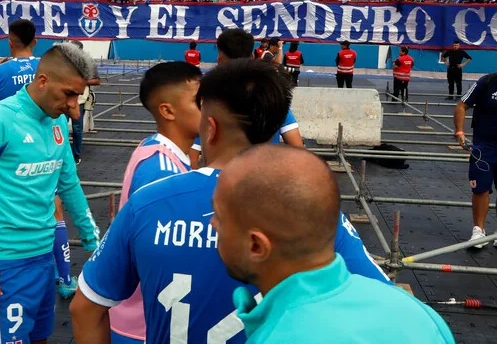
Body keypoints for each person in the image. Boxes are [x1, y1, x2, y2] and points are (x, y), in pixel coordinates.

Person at [71, 60, 389, 344]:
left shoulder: (148, 203)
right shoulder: (313, 212)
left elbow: (85, 308)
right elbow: (386, 305)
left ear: (210, 128)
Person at [212, 145, 455, 344]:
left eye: (219, 216)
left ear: (256, 246)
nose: (212, 224)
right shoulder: (418, 315)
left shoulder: (277, 336)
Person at [0, 44, 101, 344]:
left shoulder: (56, 121)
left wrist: (95, 243)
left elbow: (68, 185)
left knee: (40, 338)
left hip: (44, 260)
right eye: (68, 94)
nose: (74, 106)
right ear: (42, 81)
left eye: (77, 97)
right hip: (3, 264)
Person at [105, 61, 202, 344]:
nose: (209, 107)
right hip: (146, 325)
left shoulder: (162, 153)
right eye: (199, 101)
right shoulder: (161, 169)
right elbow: (163, 255)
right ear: (168, 110)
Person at [190, 30, 302, 165]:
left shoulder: (210, 103)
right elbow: (298, 150)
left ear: (219, 61)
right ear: (252, 56)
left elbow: (193, 156)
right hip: (263, 179)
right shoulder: (272, 100)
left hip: (221, 182)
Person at [454, 47, 497, 249]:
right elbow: (462, 106)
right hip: (484, 148)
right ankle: (478, 231)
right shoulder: (486, 82)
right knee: (481, 189)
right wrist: (460, 132)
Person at [67, 40, 101, 164]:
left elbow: (97, 80)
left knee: (77, 128)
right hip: (62, 98)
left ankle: (76, 154)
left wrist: (79, 82)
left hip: (79, 99)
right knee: (58, 127)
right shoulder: (63, 62)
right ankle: (61, 153)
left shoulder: (88, 63)